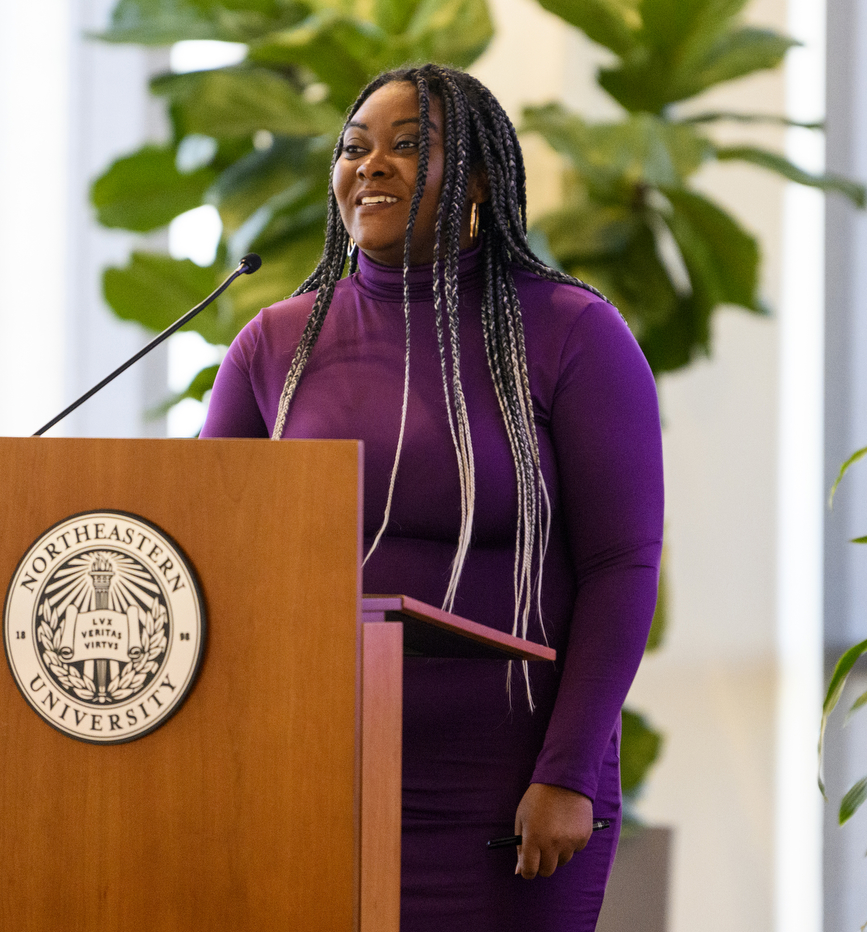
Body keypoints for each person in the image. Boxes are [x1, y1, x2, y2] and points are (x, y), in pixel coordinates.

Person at [201, 63, 663, 932]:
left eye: (409, 148)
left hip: (509, 790)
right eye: (354, 148)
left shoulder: (571, 331)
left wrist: (566, 774)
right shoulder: (277, 343)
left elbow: (620, 566)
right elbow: (203, 546)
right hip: (314, 774)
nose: (371, 166)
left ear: (481, 179)